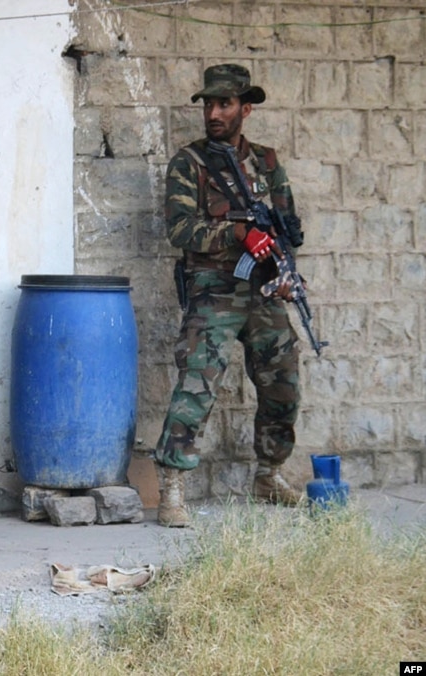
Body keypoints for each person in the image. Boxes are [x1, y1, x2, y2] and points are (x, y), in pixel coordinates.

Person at [155, 64, 304, 528]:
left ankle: (269, 474)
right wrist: (238, 232)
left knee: (283, 382)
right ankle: (173, 487)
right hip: (214, 291)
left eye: (224, 104)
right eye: (208, 104)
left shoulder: (267, 162)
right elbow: (180, 228)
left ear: (246, 108)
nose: (214, 113)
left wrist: (284, 272)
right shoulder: (190, 162)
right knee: (198, 384)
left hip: (262, 289)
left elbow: (287, 229)